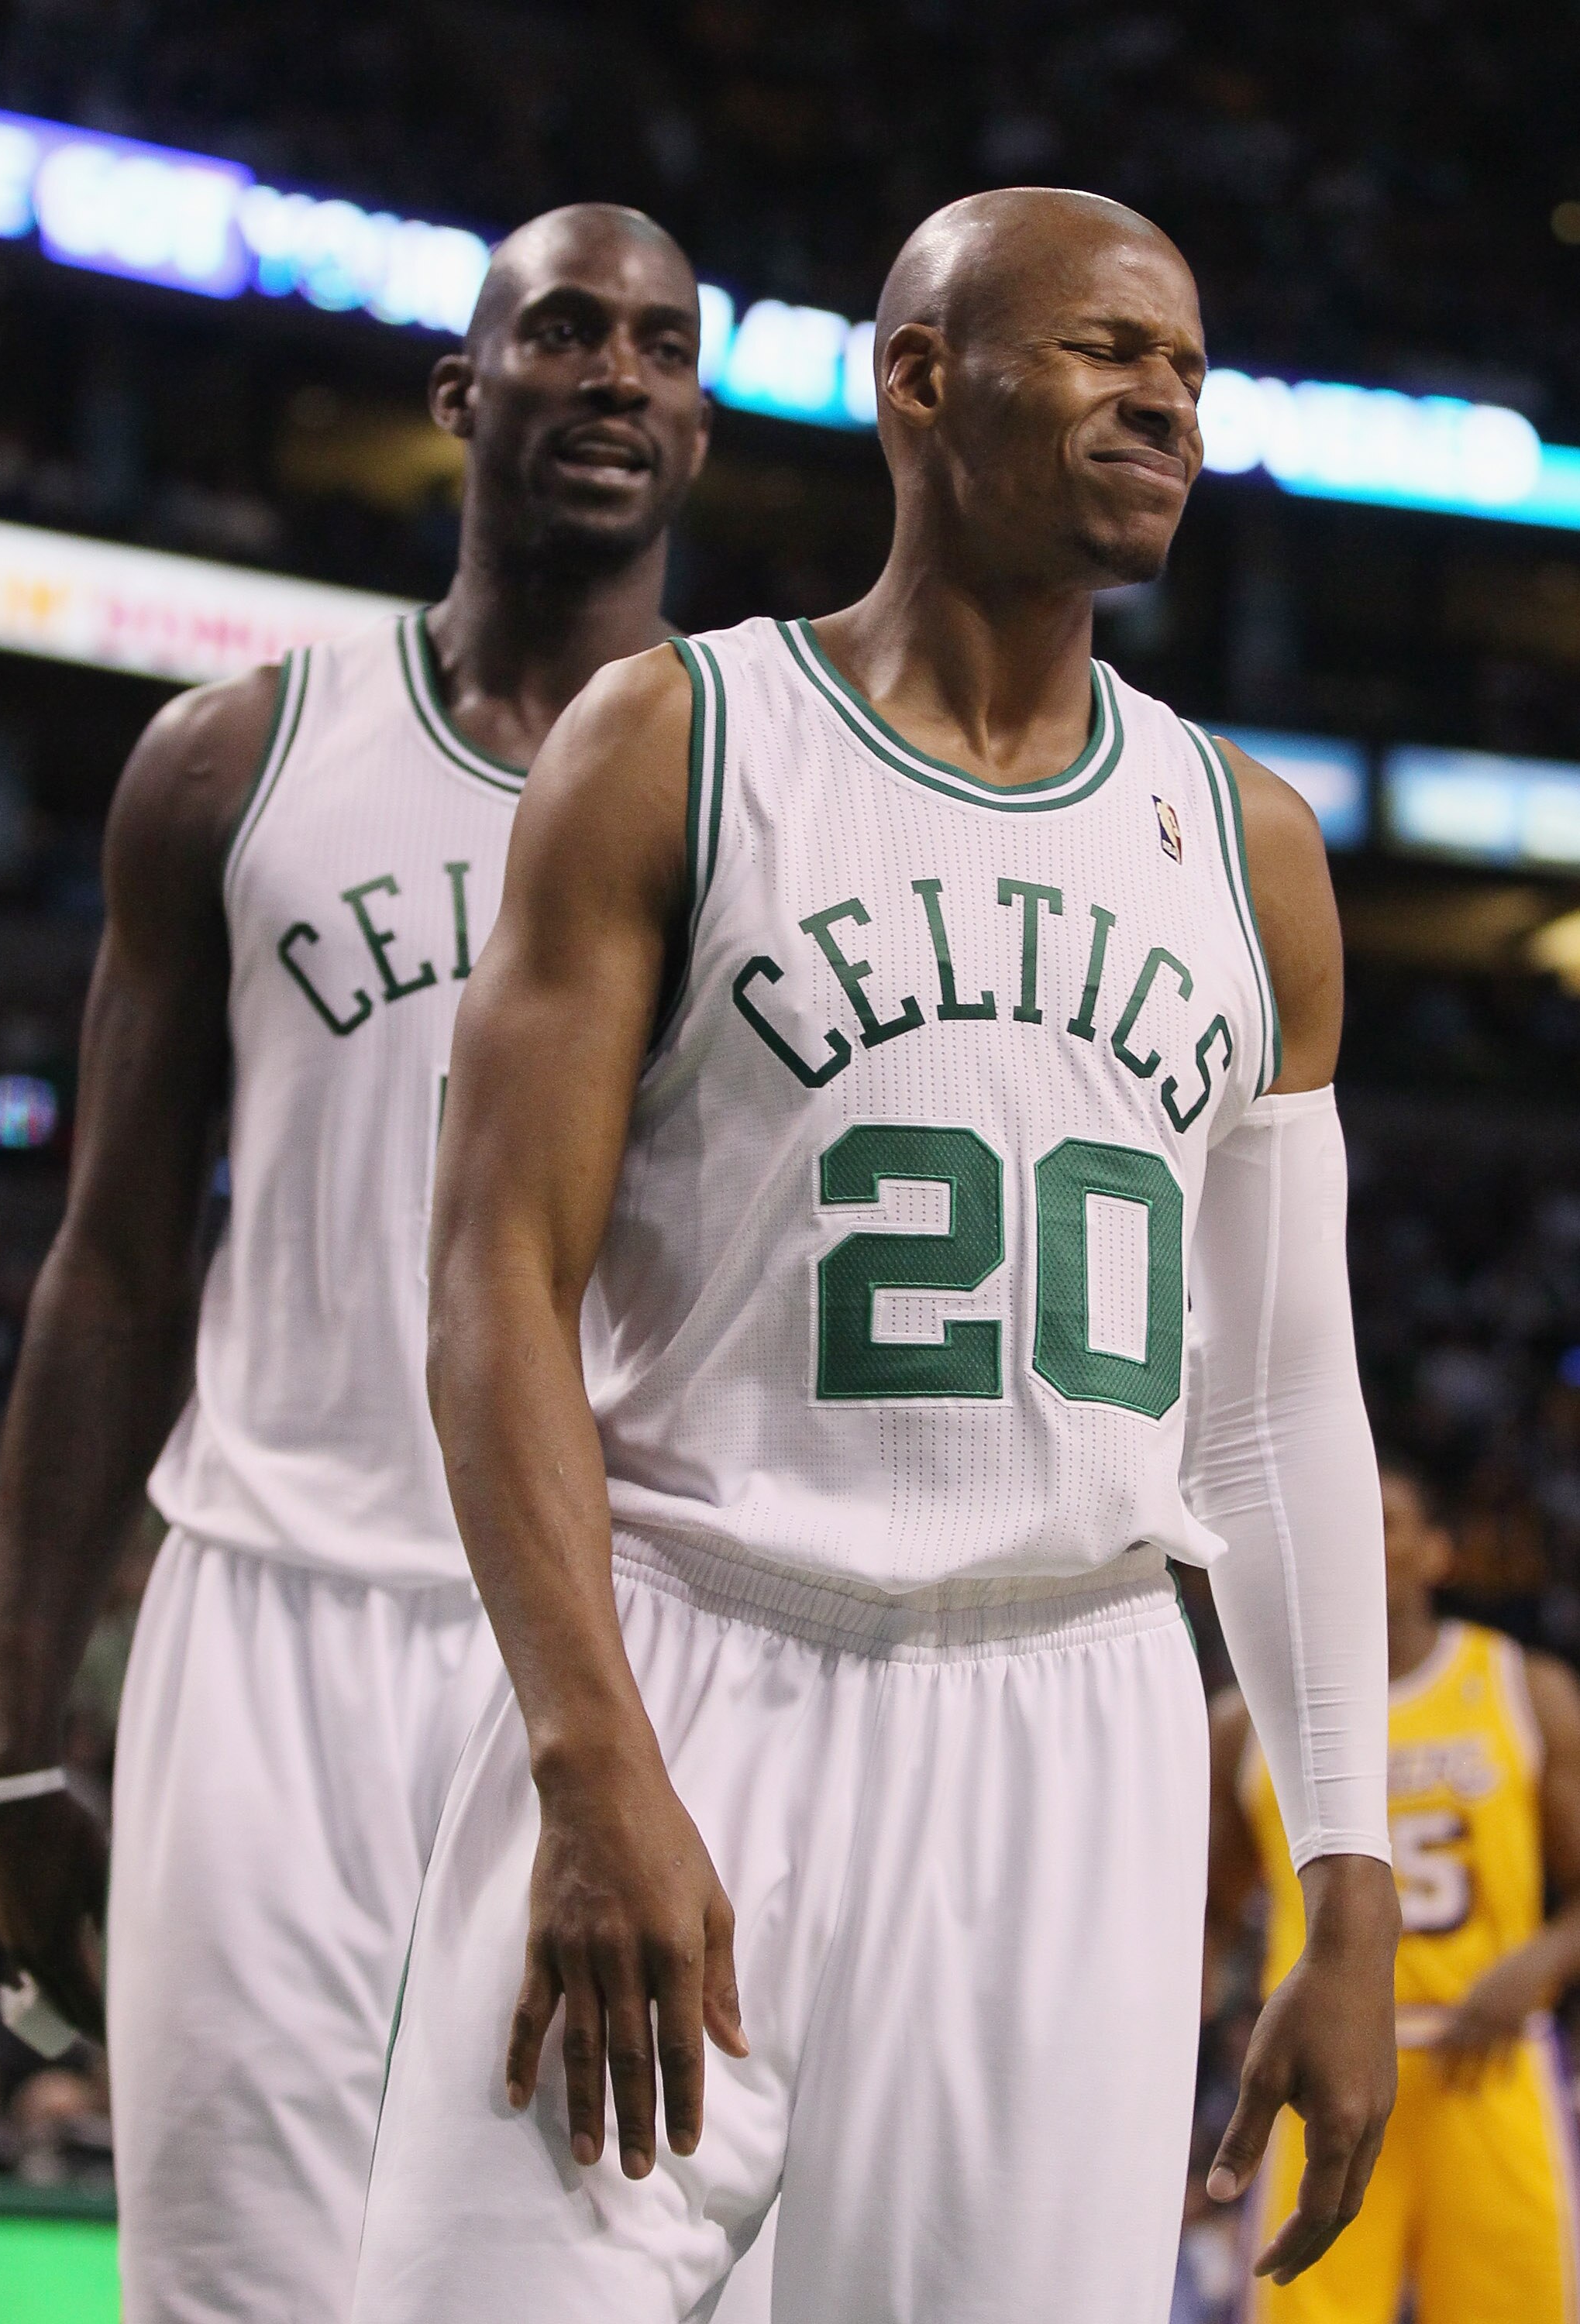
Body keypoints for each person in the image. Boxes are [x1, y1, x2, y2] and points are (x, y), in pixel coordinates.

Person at [353, 187, 1400, 2324]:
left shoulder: (1250, 848)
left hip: (1072, 1722)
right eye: (1106, 349)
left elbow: (1280, 1403)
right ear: (917, 376)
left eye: (1188, 371)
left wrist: (1347, 1874)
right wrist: (587, 1757)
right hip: (694, 1664)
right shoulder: (675, 740)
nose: (1166, 405)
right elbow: (492, 1287)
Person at [0, 204, 718, 2324]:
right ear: (459, 394)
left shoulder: (760, 785)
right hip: (271, 1623)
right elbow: (112, 1266)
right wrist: (13, 1724)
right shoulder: (235, 759)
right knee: (233, 2283)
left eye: (663, 347)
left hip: (629, 1642)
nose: (617, 372)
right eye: (564, 330)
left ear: (698, 432)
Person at [1209, 1454, 1580, 2323]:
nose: (1354, 1542)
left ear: (1437, 1552)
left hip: (1486, 2064)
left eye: (1381, 1523)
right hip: (1319, 2077)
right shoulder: (1247, 1718)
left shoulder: (1523, 1687)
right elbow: (1210, 1918)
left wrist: (1537, 1966)